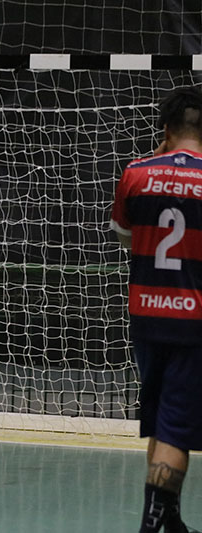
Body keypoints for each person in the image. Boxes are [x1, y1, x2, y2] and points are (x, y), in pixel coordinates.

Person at [111, 86, 202, 533]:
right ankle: (152, 527)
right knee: (177, 429)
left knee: (161, 420)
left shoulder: (136, 172)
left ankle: (172, 521)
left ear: (165, 130)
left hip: (145, 315)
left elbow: (123, 234)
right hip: (193, 321)